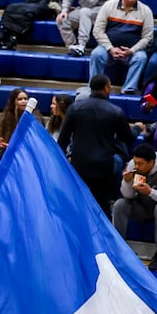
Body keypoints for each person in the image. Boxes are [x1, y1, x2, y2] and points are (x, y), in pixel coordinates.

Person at [59, 74, 136, 211]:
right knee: (101, 206)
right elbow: (127, 138)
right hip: (103, 165)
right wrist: (137, 128)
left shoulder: (75, 108)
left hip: (79, 163)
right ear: (106, 88)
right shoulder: (115, 112)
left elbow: (63, 140)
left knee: (77, 204)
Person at [113, 142, 157, 272]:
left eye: (140, 164)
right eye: (135, 162)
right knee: (119, 205)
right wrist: (127, 182)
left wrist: (151, 192)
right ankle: (118, 250)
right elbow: (127, 196)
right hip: (144, 207)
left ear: (151, 162)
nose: (136, 166)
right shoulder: (133, 166)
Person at [89, 0, 154, 94]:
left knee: (141, 57)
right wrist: (110, 48)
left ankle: (128, 89)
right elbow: (98, 30)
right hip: (108, 49)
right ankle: (95, 88)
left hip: (131, 52)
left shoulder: (146, 11)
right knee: (96, 54)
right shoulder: (109, 6)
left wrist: (132, 50)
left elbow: (147, 37)